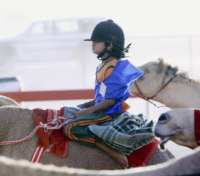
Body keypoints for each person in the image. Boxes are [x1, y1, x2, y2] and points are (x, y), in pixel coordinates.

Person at [63, 19, 144, 168]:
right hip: (100, 109)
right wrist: (87, 105)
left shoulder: (116, 68)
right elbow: (102, 96)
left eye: (97, 41)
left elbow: (110, 101)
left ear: (109, 45)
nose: (92, 43)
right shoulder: (103, 66)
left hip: (109, 113)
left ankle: (110, 150)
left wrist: (86, 111)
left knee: (69, 128)